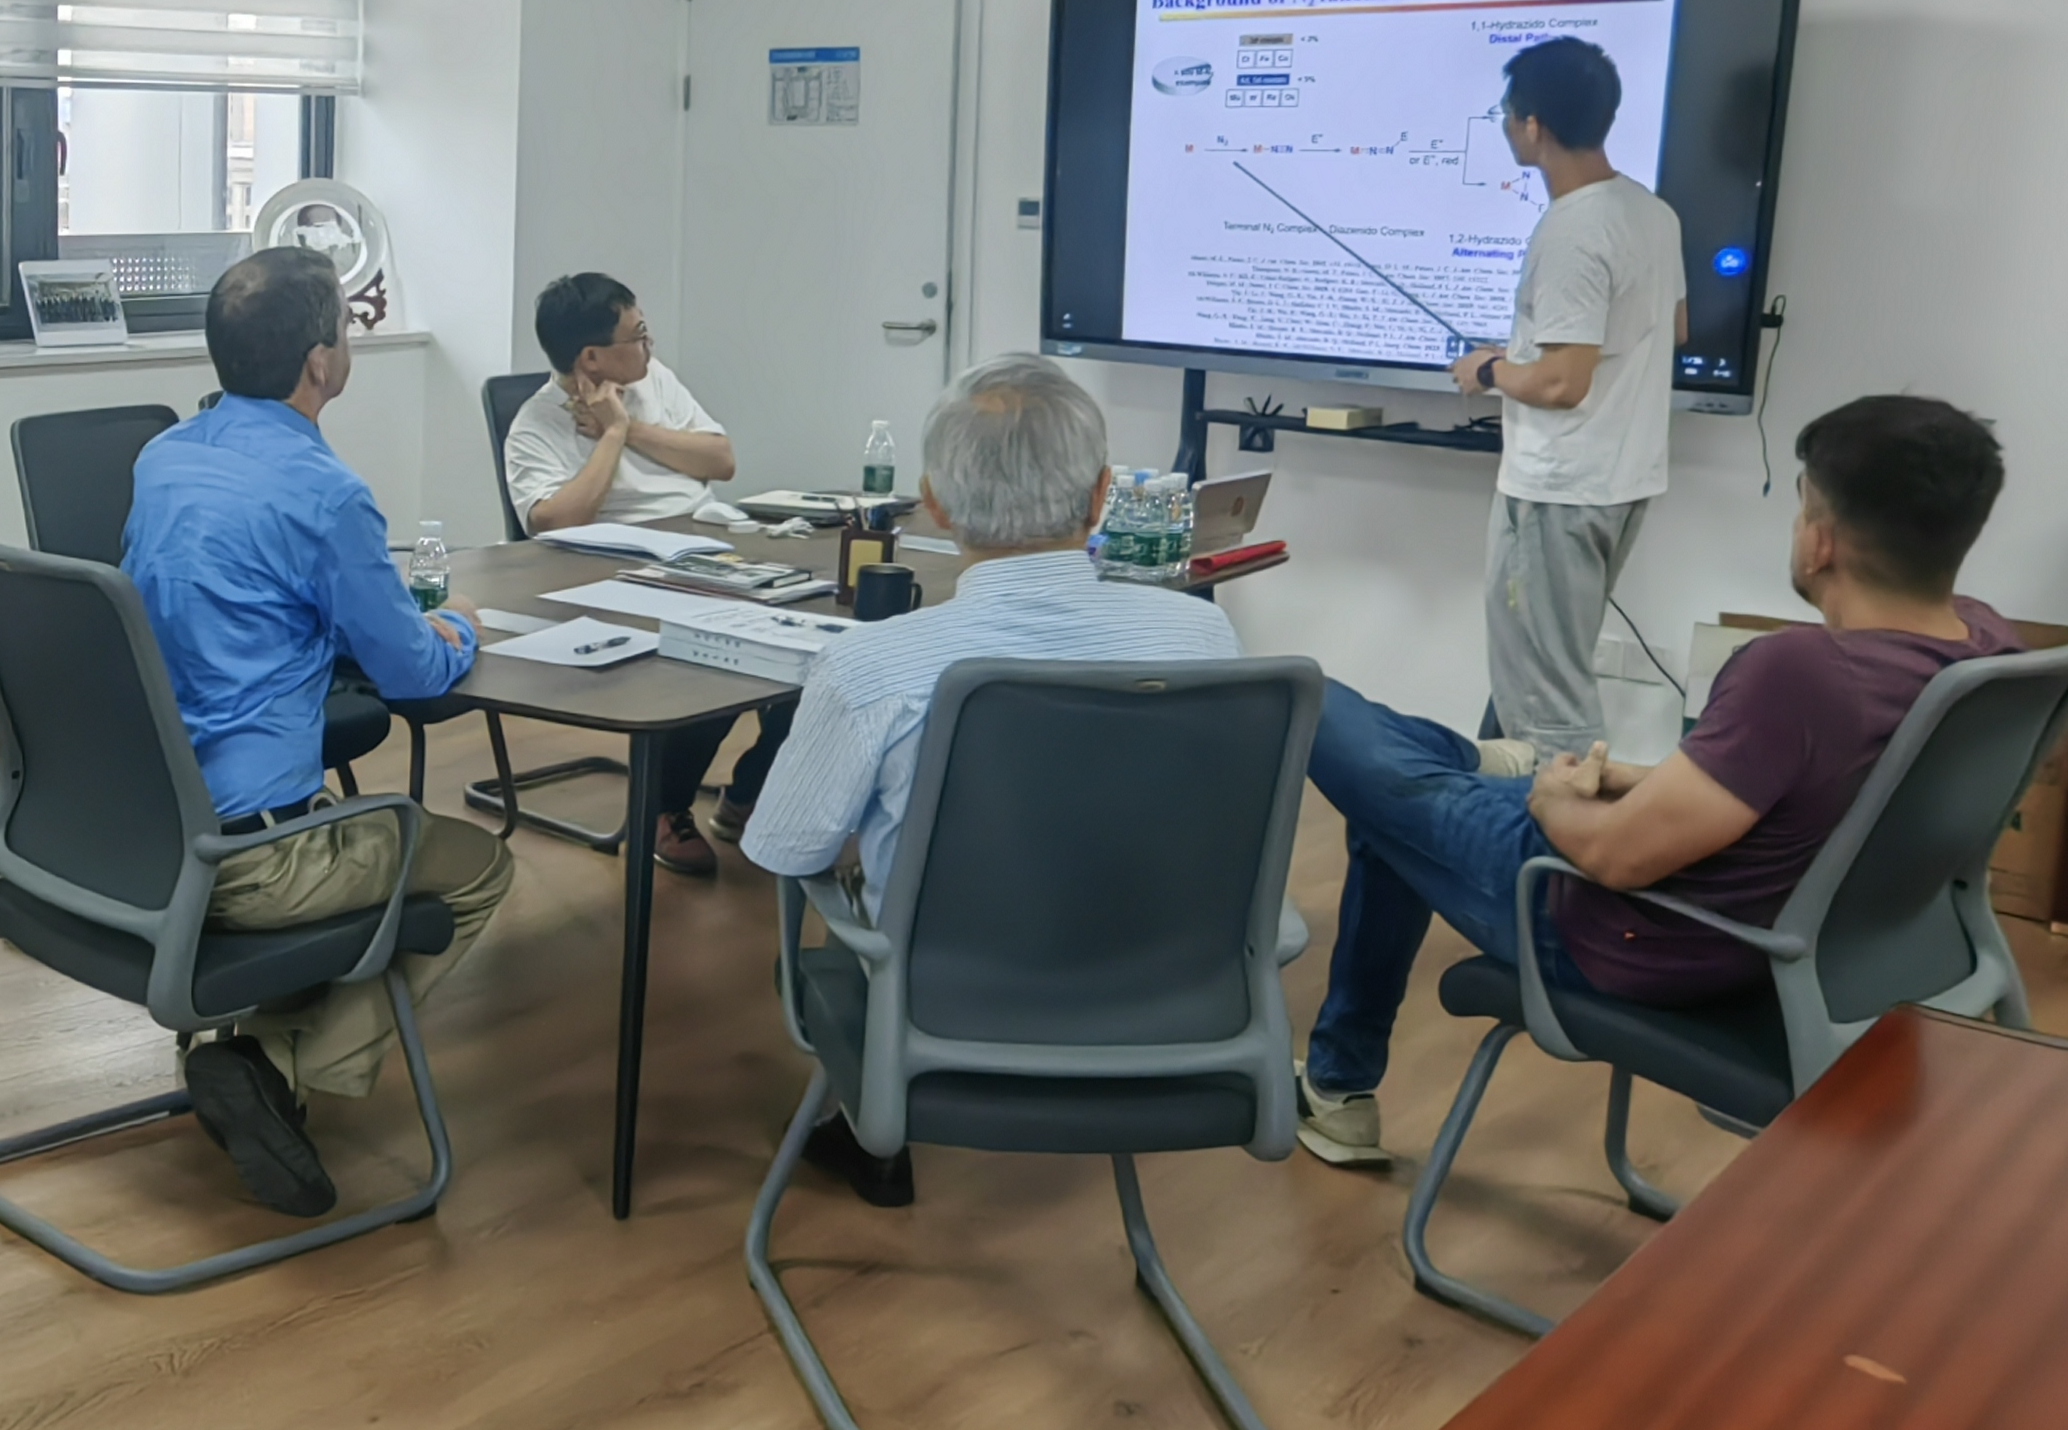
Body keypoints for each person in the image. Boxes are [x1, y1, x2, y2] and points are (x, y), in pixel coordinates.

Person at [1289, 394, 2017, 1168]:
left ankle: (1476, 771)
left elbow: (1613, 858)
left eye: (1802, 505)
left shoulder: (1800, 674)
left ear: (1821, 542)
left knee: (1305, 698)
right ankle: (1338, 1089)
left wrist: (1553, 798)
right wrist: (1629, 781)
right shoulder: (1985, 651)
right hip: (1798, 936)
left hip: (1616, 930)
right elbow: (1801, 796)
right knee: (1388, 808)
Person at [741, 355, 1242, 1206]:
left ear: (933, 502)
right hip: (1168, 1001)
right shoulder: (1202, 639)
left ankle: (865, 1132)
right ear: (1102, 496)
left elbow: (788, 851)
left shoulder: (871, 665)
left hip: (941, 1014)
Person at [121, 247, 512, 1219]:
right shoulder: (326, 495)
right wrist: (458, 622)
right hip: (253, 864)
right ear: (319, 363)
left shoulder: (164, 458)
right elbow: (412, 674)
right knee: (476, 867)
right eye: (344, 324)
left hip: (138, 830)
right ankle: (273, 1063)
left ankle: (264, 1050)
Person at [507, 270, 791, 879]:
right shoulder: (536, 424)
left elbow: (721, 459)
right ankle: (666, 807)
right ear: (591, 357)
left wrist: (630, 426)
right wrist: (611, 435)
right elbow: (554, 523)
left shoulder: (654, 380)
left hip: (706, 554)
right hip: (613, 579)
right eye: (637, 335)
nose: (648, 344)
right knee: (721, 659)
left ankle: (750, 794)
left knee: (817, 650)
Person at [1451, 37, 1686, 763]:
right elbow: (1673, 327)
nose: (1504, 125)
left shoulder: (1573, 231)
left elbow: (1561, 383)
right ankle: (1489, 811)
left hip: (1557, 491)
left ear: (1533, 126)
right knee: (1536, 671)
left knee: (1547, 706)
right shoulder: (1651, 212)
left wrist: (1490, 371)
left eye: (1507, 113)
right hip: (1620, 482)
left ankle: (1557, 833)